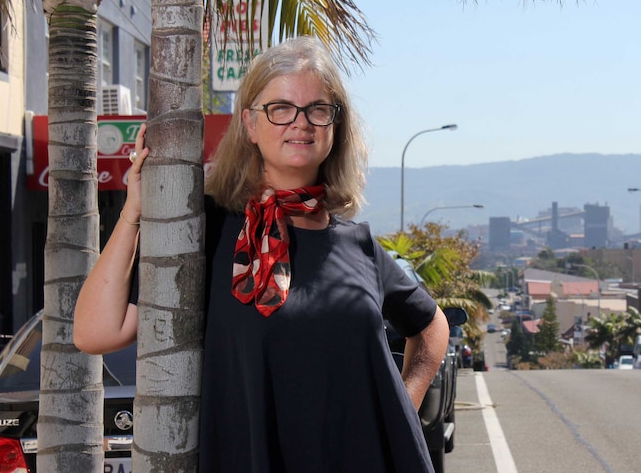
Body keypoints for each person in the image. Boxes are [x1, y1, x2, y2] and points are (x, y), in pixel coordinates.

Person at [74, 36, 450, 473]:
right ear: (250, 125)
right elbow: (95, 334)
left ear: (334, 127)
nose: (301, 123)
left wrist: (406, 400)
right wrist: (133, 215)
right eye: (281, 108)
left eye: (318, 109)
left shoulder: (359, 246)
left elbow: (431, 324)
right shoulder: (202, 228)